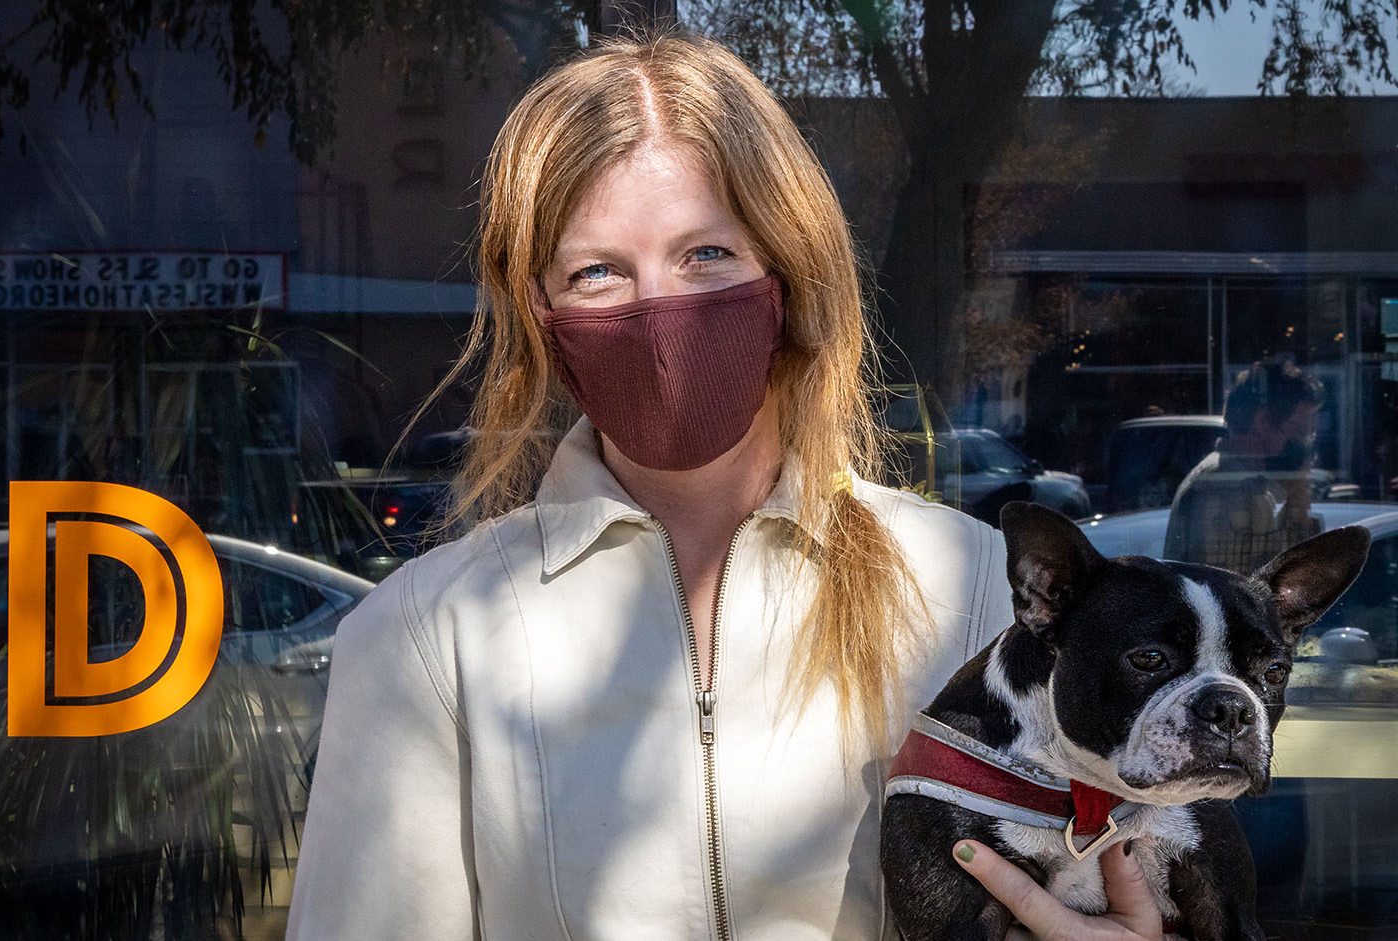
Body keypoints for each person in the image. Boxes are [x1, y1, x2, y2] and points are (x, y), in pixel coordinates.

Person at [285, 30, 1167, 941]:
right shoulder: (426, 641)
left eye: (706, 255)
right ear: (541, 318)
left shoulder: (978, 591)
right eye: (597, 272)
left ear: (784, 276)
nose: (659, 311)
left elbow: (1119, 887)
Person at [1164, 360, 1324, 573]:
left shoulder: (1249, 484)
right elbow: (1235, 589)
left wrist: (1296, 502)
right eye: (1299, 432)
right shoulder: (1224, 486)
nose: (1303, 446)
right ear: (1263, 421)